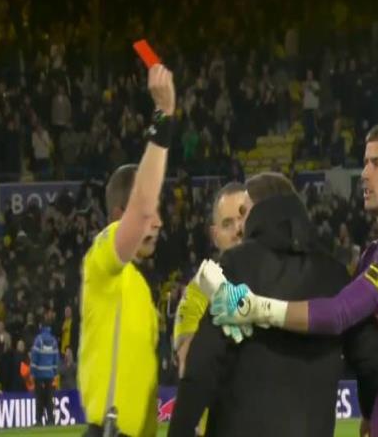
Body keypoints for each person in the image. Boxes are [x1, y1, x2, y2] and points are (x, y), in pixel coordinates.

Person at [211, 122, 378, 437]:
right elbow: (363, 342)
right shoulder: (376, 252)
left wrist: (256, 308)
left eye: (377, 163)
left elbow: (338, 314)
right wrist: (370, 411)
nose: (365, 173)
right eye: (365, 162)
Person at [169, 172, 378, 437]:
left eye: (243, 212)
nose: (240, 226)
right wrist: (370, 412)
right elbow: (371, 359)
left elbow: (201, 365)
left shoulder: (236, 267)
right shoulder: (336, 275)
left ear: (260, 210)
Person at [78, 63, 176, 437]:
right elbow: (141, 210)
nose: (158, 222)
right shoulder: (101, 262)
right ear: (121, 215)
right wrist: (163, 118)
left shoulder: (140, 290)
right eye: (151, 214)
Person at [173, 182, 248, 436]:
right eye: (228, 224)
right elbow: (190, 368)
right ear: (215, 235)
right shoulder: (199, 291)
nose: (238, 230)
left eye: (244, 218)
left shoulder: (280, 278)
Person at [30, 324, 59, 426]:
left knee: (40, 398)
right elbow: (56, 359)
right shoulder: (54, 341)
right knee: (49, 399)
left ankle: (39, 421)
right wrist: (55, 373)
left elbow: (34, 358)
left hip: (39, 375)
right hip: (50, 375)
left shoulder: (38, 340)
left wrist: (32, 372)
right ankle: (51, 420)